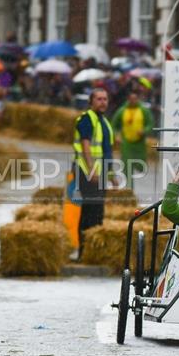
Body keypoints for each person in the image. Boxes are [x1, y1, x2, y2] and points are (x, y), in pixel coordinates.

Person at [71, 88, 117, 261]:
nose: (103, 102)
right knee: (90, 211)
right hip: (86, 171)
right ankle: (83, 253)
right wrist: (91, 170)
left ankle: (93, 252)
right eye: (99, 99)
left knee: (98, 212)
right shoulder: (86, 119)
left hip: (100, 172)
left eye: (105, 99)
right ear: (91, 102)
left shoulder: (105, 122)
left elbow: (107, 151)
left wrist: (111, 174)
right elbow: (85, 145)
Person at [111, 89, 153, 189]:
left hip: (139, 144)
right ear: (128, 99)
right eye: (131, 99)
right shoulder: (122, 110)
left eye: (135, 98)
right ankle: (129, 188)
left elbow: (150, 124)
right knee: (127, 165)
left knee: (141, 166)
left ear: (138, 99)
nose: (133, 100)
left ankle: (136, 168)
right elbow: (114, 125)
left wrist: (145, 130)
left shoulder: (144, 110)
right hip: (126, 143)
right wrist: (116, 135)